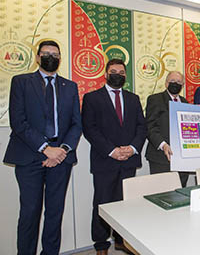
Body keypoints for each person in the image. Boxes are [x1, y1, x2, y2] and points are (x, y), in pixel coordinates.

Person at [3, 40, 82, 254]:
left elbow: (76, 124)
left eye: (55, 54)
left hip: (61, 157)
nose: (51, 57)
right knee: (30, 213)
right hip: (31, 155)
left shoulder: (70, 86)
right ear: (37, 57)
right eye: (46, 53)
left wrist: (62, 150)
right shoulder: (21, 82)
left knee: (55, 213)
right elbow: (18, 122)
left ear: (60, 58)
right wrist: (46, 148)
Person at [82, 59, 147, 255]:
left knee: (125, 203)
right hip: (105, 160)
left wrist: (134, 148)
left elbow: (141, 127)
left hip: (129, 160)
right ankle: (101, 245)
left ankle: (120, 240)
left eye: (121, 72)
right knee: (102, 203)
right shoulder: (92, 98)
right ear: (106, 74)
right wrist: (112, 150)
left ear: (125, 76)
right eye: (113, 71)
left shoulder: (133, 98)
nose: (117, 74)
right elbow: (89, 129)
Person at [145, 71, 189, 187]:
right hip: (161, 157)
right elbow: (150, 126)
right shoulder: (155, 99)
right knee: (162, 193)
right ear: (166, 84)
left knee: (181, 192)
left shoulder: (185, 102)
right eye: (172, 81)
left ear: (183, 85)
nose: (175, 84)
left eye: (179, 82)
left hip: (182, 159)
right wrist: (163, 145)